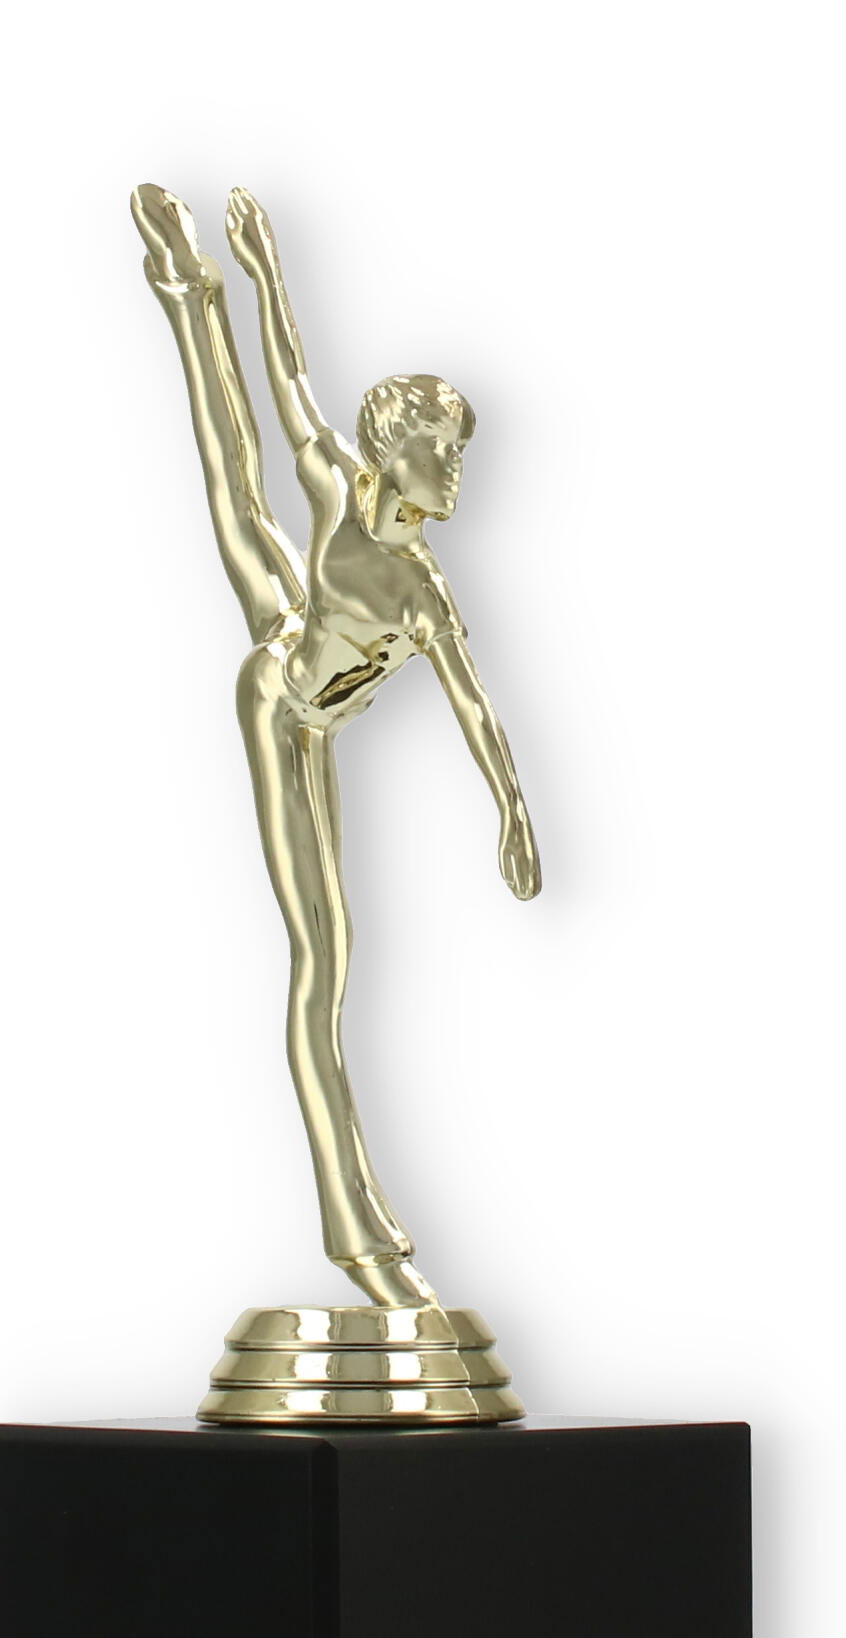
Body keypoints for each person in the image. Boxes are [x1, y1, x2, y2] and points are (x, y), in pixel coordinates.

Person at [131, 184, 541, 1309]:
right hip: (282, 699)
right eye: (441, 451)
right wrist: (263, 272)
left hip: (313, 666)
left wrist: (511, 806)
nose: (454, 470)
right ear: (392, 454)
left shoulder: (422, 591)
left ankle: (188, 290)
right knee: (322, 963)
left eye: (457, 453)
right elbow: (287, 386)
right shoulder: (338, 491)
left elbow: (473, 704)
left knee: (246, 511)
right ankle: (354, 1232)